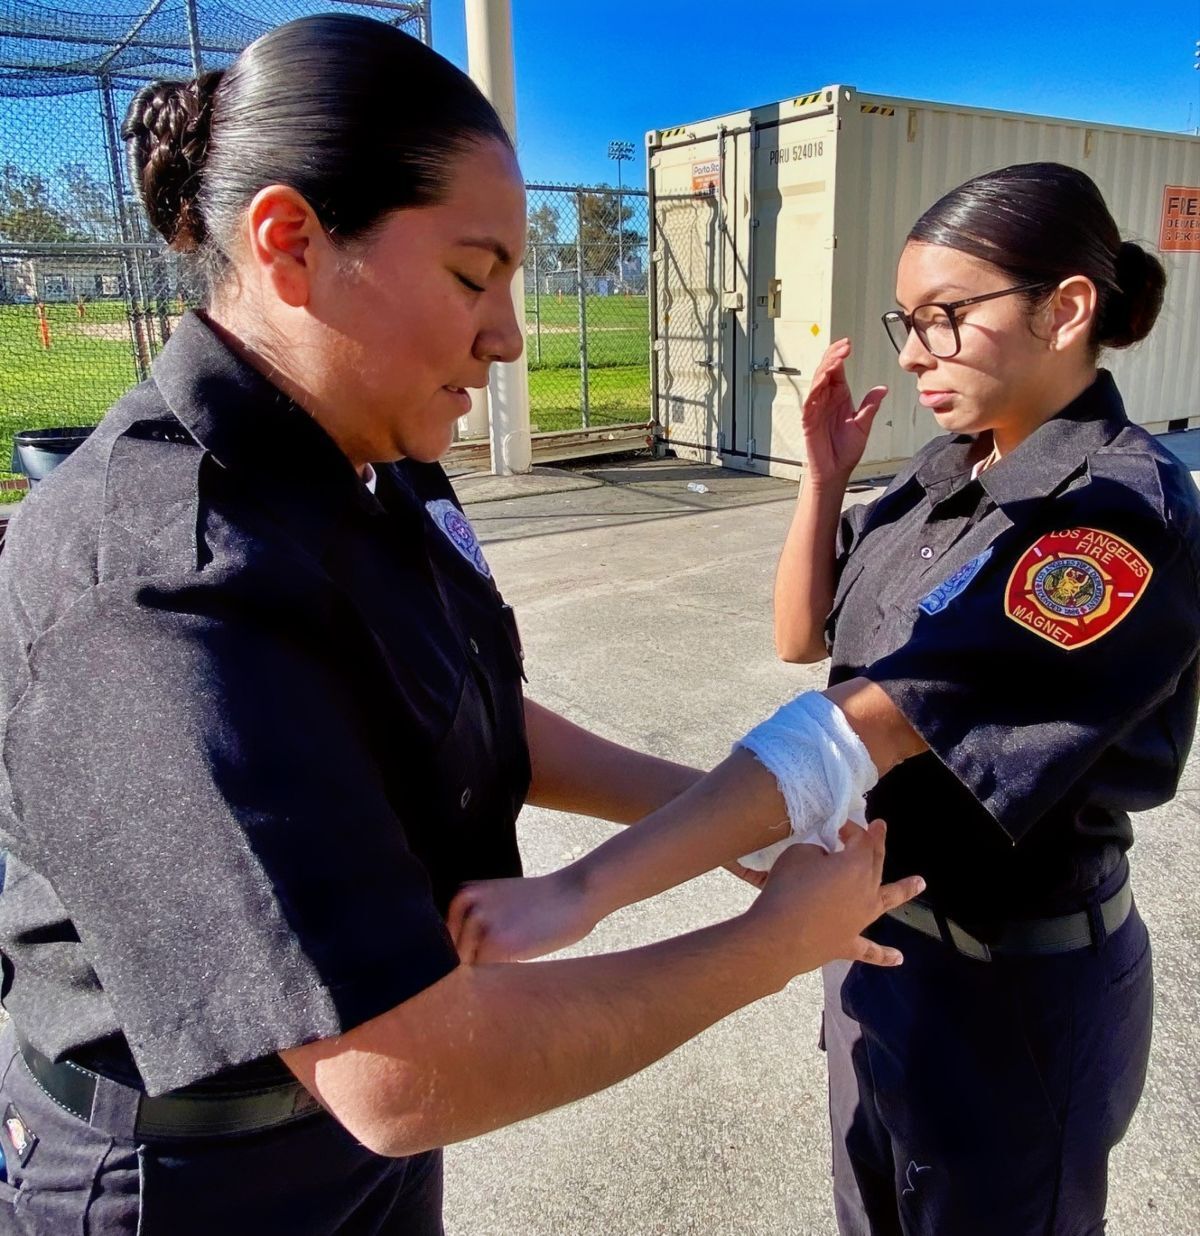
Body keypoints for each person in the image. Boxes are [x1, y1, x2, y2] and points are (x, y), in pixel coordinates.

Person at [0, 16, 923, 1234]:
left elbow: (462, 706)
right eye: (469, 274)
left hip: (347, 1156)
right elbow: (396, 1072)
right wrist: (771, 944)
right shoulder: (152, 584)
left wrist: (707, 815)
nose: (509, 335)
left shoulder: (377, 457)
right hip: (194, 1182)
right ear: (291, 244)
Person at [452, 163, 1200, 1235]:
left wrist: (589, 888)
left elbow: (873, 724)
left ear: (1067, 308)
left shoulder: (1110, 519)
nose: (912, 351)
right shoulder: (948, 472)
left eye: (949, 317)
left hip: (1014, 1002)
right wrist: (818, 477)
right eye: (909, 319)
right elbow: (804, 637)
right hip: (878, 959)